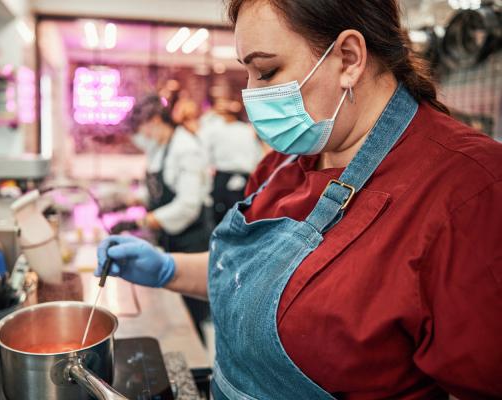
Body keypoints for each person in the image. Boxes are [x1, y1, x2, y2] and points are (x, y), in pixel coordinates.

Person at [97, 1, 502, 399]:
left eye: (266, 71)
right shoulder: (284, 164)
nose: (250, 94)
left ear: (348, 58)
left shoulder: (470, 191)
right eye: (248, 73)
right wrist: (169, 269)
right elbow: (257, 280)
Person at [128, 94, 212, 341]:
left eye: (142, 127)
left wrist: (141, 222)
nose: (141, 135)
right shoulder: (161, 147)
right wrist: (129, 199)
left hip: (191, 241)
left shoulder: (186, 148)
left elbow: (187, 206)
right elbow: (157, 190)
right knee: (173, 308)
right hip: (171, 238)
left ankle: (196, 358)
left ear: (155, 120)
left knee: (191, 315)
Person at [198, 98, 264, 224]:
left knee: (224, 219)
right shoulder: (246, 129)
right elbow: (258, 156)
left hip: (228, 179)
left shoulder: (217, 130)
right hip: (240, 178)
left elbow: (204, 154)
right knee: (242, 216)